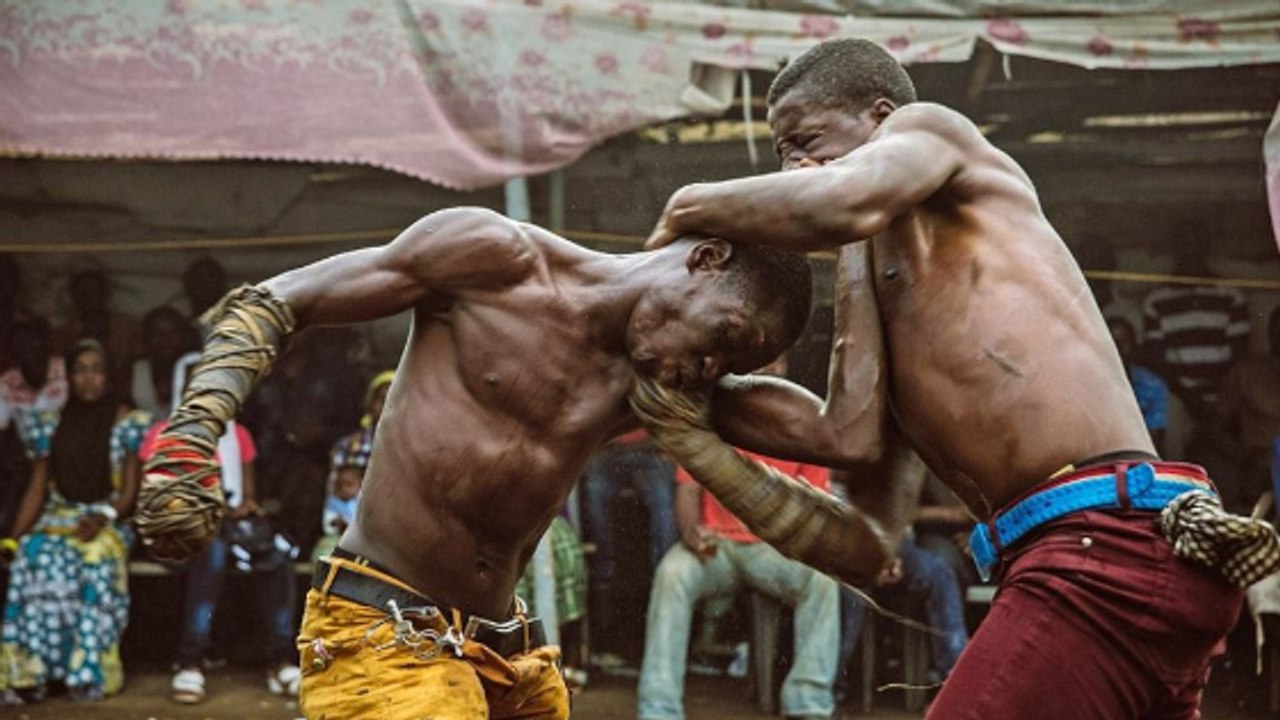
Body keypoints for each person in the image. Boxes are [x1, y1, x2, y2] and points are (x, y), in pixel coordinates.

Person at [634, 38, 1261, 719]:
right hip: (1109, 550)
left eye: (807, 141)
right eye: (782, 155)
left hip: (1105, 541)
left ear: (879, 117)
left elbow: (844, 199)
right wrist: (693, 421)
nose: (794, 167)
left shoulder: (932, 130)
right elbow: (856, 493)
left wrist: (686, 206)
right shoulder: (874, 274)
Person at [133, 206, 813, 720]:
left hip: (509, 654)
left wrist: (866, 244)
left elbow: (841, 437)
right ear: (706, 259)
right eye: (725, 336)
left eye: (733, 365)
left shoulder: (647, 382)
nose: (710, 369)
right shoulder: (497, 259)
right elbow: (279, 300)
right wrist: (189, 439)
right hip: (385, 637)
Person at [636, 382, 840, 720]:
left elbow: (815, 506)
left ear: (781, 372)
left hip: (774, 550)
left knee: (822, 578)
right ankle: (658, 709)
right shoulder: (713, 424)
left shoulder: (805, 429)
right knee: (671, 573)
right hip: (716, 547)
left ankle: (808, 704)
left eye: (769, 369)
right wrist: (691, 531)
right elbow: (687, 490)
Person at [138, 352, 299, 704]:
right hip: (177, 535)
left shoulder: (238, 435)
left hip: (229, 530)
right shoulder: (162, 435)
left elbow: (248, 496)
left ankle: (281, 659)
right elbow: (157, 502)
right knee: (211, 549)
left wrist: (244, 506)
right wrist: (207, 509)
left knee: (278, 553)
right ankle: (191, 660)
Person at [0, 340, 150, 704]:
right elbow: (37, 489)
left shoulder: (130, 422)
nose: (88, 379)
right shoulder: (50, 424)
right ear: (68, 377)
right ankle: (30, 674)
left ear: (109, 377)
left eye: (96, 370)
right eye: (80, 370)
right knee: (32, 554)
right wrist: (13, 538)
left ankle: (87, 672)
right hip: (60, 514)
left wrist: (104, 517)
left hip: (110, 518)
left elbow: (130, 494)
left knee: (94, 557)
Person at [1109, 315, 1170, 455]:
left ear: (1135, 345)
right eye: (1112, 342)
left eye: (1123, 342)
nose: (1118, 348)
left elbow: (1153, 442)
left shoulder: (1152, 385)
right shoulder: (1086, 386)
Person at [129, 306, 200, 417]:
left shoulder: (197, 367)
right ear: (147, 337)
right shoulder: (135, 370)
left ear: (183, 335)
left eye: (172, 332)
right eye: (157, 333)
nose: (165, 340)